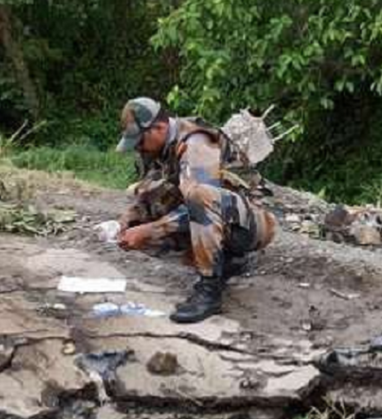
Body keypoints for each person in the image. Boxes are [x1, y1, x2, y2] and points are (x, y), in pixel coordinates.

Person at [114, 98, 278, 323]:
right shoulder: (158, 149)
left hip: (253, 223)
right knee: (143, 209)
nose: (138, 147)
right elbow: (149, 193)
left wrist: (150, 230)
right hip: (221, 216)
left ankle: (210, 291)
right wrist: (131, 217)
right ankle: (229, 261)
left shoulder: (196, 143)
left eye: (140, 141)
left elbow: (202, 202)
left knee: (198, 195)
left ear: (159, 128)